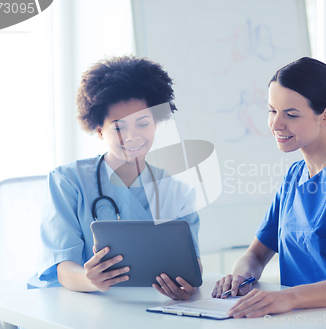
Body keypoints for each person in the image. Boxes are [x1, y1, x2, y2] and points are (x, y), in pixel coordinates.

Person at [212, 57, 326, 317]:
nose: (277, 124)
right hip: (305, 318)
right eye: (272, 110)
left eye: (291, 114)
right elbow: (255, 256)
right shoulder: (294, 176)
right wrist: (239, 276)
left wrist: (288, 297)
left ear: (325, 115)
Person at [34, 56, 201, 300]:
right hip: (81, 306)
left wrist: (185, 286)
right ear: (100, 131)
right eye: (119, 127)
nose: (132, 136)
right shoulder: (67, 181)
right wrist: (90, 280)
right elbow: (62, 268)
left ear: (155, 124)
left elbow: (192, 266)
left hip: (152, 308)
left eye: (142, 124)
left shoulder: (177, 191)